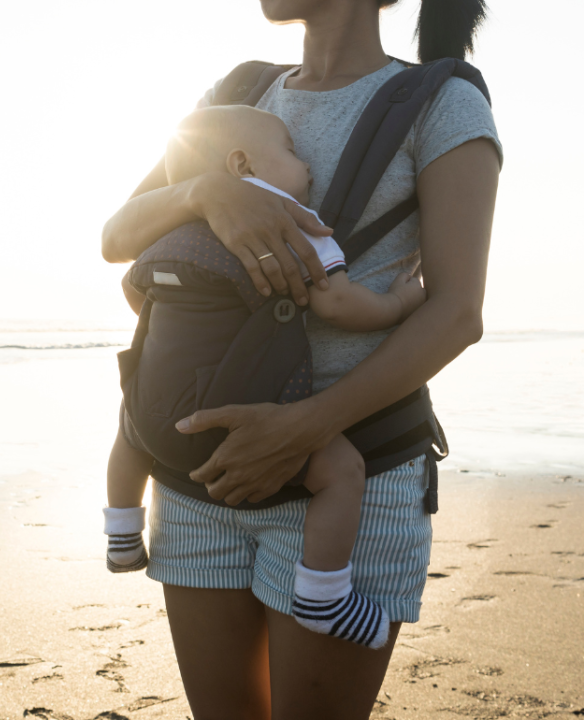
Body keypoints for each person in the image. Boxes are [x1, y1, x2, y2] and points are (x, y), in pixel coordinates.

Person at [99, 0, 501, 716]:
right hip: (202, 476)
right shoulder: (237, 92)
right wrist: (206, 191)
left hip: (350, 477)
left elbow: (456, 312)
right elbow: (118, 236)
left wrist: (305, 428)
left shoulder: (443, 101)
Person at [103, 105, 427, 651]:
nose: (307, 167)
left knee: (129, 429)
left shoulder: (167, 230)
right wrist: (398, 302)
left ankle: (121, 535)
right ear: (242, 163)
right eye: (293, 153)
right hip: (238, 422)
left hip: (162, 424)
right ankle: (324, 593)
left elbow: (136, 292)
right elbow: (337, 303)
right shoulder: (294, 220)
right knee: (341, 471)